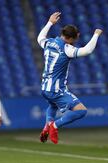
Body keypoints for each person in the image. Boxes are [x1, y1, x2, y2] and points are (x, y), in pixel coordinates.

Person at [37, 12, 103, 144]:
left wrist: (50, 22)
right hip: (57, 89)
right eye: (76, 38)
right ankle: (54, 126)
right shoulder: (67, 49)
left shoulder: (48, 42)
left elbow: (40, 37)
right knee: (81, 111)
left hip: (45, 88)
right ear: (71, 38)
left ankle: (47, 125)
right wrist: (96, 34)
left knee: (53, 105)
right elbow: (87, 50)